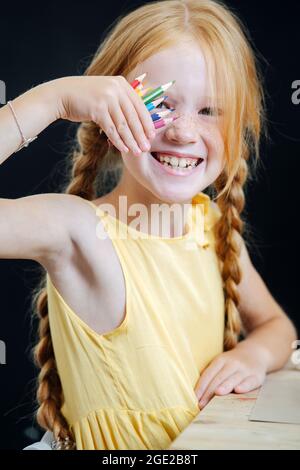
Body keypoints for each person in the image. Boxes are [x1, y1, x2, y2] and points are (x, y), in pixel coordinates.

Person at [0, 0, 297, 450]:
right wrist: (53, 99)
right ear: (104, 111)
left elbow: (277, 325)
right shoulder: (79, 231)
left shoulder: (208, 221)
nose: (181, 131)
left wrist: (254, 354)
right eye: (157, 104)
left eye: (210, 111)